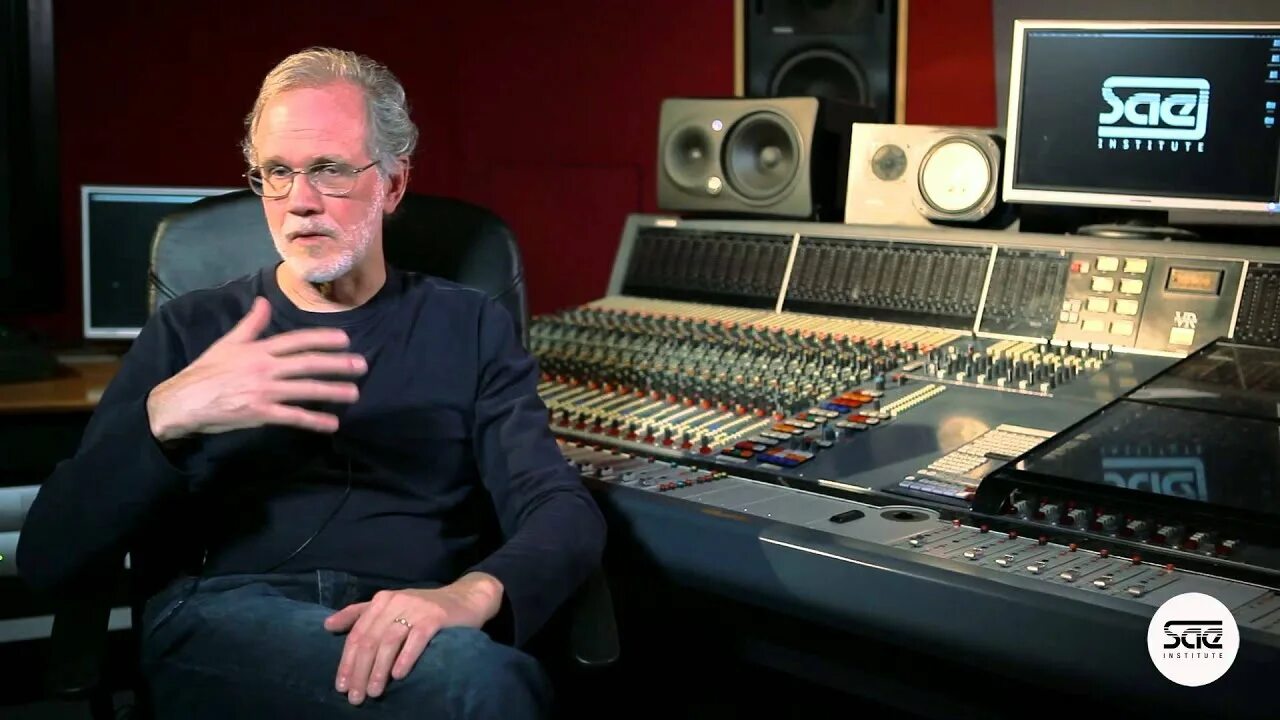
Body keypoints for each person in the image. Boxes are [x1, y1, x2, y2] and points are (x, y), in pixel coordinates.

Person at [16, 47, 606, 719]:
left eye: (329, 170)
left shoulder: (469, 325)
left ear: (392, 184)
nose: (299, 202)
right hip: (227, 624)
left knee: (475, 677)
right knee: (482, 689)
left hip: (409, 624)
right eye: (276, 172)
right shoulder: (191, 329)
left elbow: (558, 507)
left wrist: (469, 593)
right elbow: (48, 556)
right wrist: (164, 416)